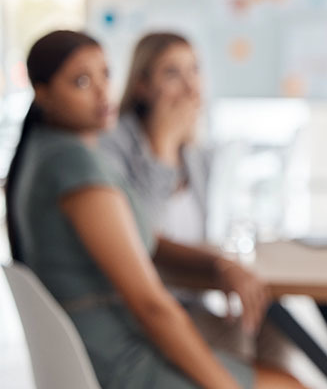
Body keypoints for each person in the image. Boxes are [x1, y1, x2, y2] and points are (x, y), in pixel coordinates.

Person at [4, 30, 303, 388]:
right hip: (117, 359)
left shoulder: (49, 152)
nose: (102, 92)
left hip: (99, 348)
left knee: (275, 360)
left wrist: (216, 264)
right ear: (43, 93)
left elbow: (145, 241)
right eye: (82, 81)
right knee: (288, 384)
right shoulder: (76, 168)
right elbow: (152, 306)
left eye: (106, 75)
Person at [99, 32, 293, 375]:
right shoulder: (113, 145)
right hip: (145, 308)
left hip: (192, 295)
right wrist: (161, 146)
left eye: (195, 71)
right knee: (234, 339)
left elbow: (212, 230)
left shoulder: (196, 153)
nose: (190, 87)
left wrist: (225, 264)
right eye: (172, 73)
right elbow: (141, 237)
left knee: (277, 325)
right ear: (142, 85)